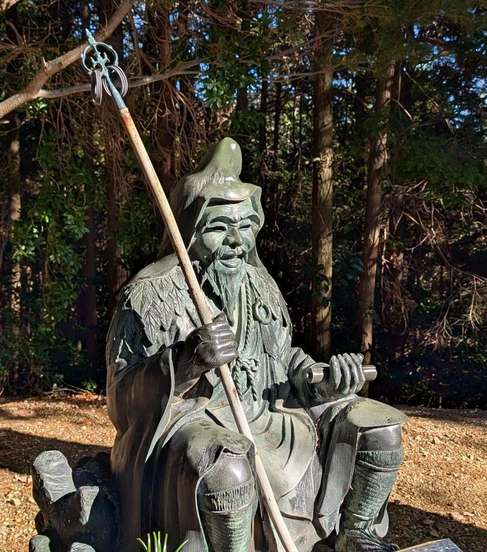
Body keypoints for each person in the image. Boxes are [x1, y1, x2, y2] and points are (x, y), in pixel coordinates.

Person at [106, 137, 406, 552]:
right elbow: (120, 399)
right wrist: (184, 362)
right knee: (226, 465)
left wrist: (322, 380)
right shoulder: (149, 295)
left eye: (245, 226)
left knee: (378, 427)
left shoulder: (259, 284)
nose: (236, 240)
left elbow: (282, 358)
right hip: (195, 423)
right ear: (190, 233)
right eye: (219, 228)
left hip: (272, 417)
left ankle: (355, 532)